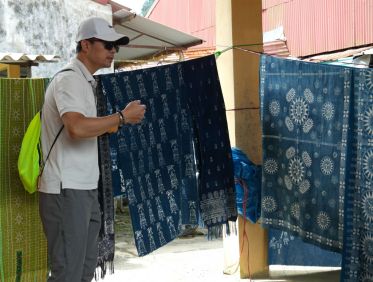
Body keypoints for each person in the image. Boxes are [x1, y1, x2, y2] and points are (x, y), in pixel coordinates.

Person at [38, 17, 146, 282]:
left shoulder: (86, 81)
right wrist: (120, 117)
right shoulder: (70, 80)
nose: (112, 51)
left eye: (116, 47)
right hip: (66, 188)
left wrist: (114, 122)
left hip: (83, 187)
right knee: (68, 273)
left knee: (83, 271)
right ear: (85, 45)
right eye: (107, 45)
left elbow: (89, 127)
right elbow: (75, 127)